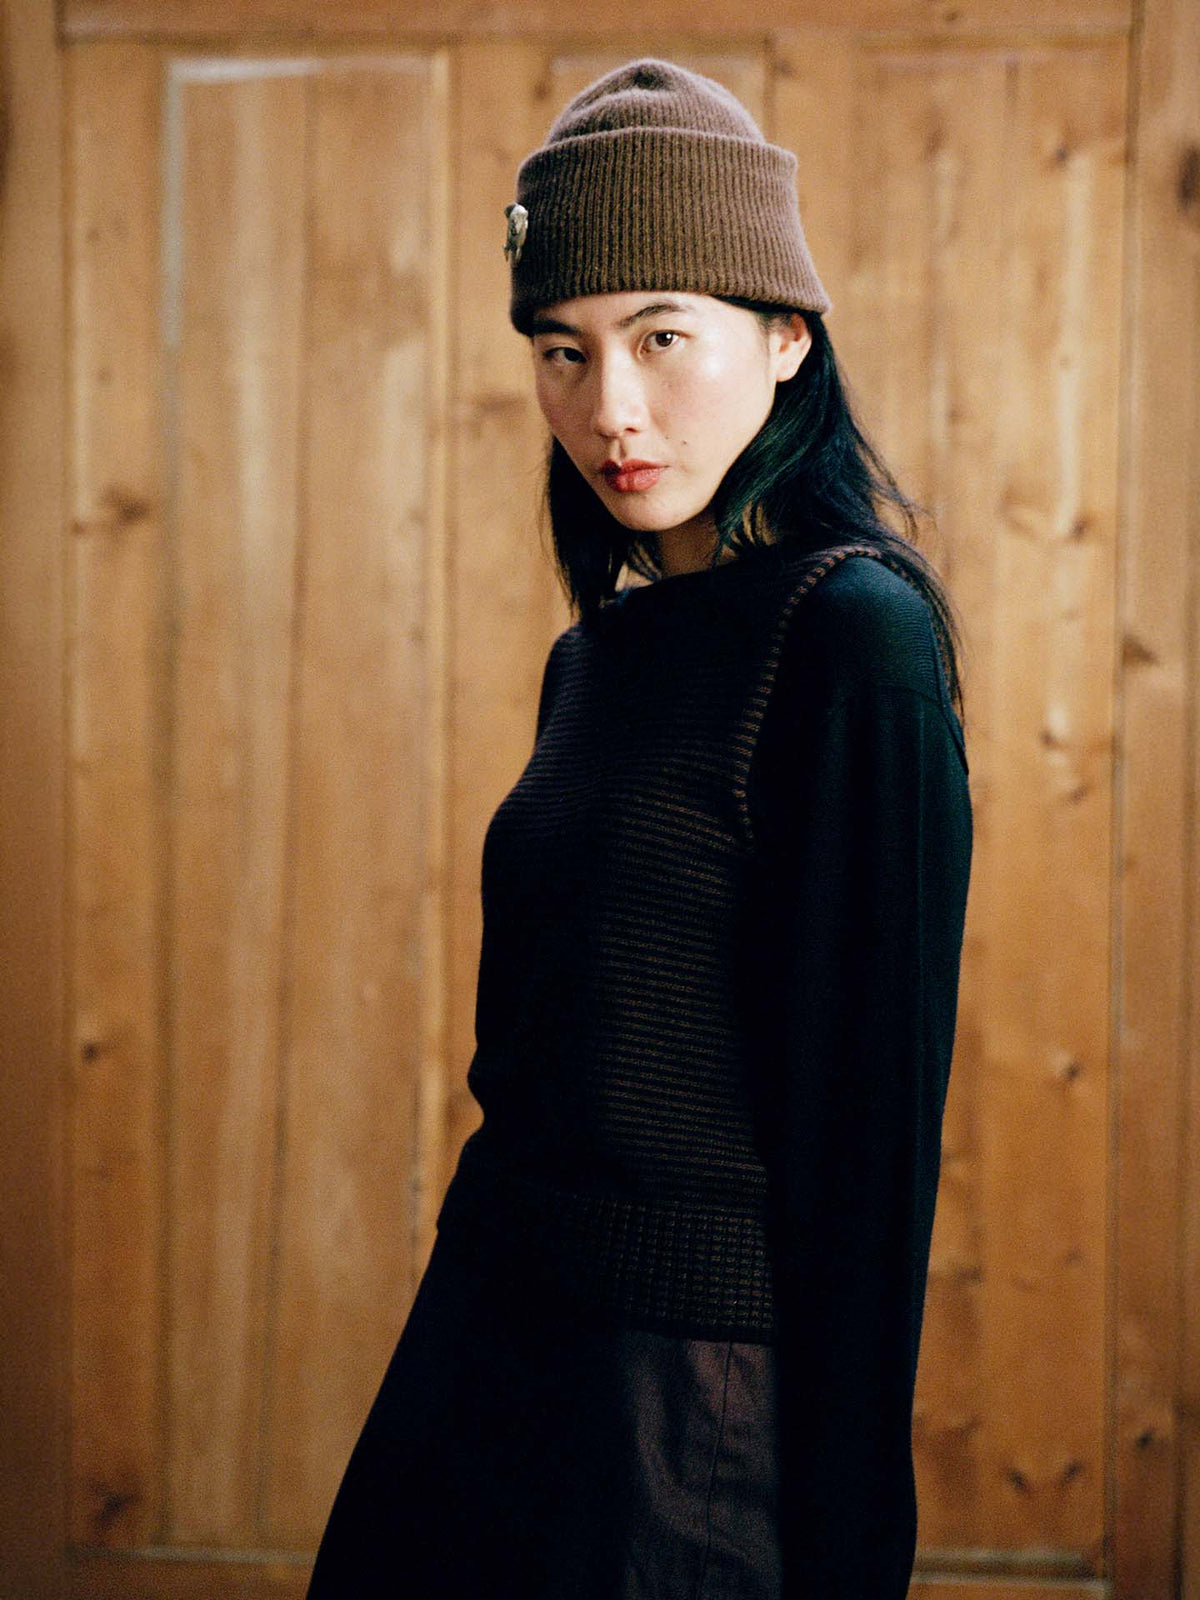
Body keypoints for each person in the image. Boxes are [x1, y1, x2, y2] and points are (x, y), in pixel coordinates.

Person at [306, 57, 973, 1600]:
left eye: (664, 339)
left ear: (786, 337)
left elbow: (865, 1144)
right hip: (497, 1349)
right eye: (564, 350)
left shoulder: (849, 639)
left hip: (684, 1422)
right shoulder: (602, 652)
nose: (609, 410)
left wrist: (850, 1535)